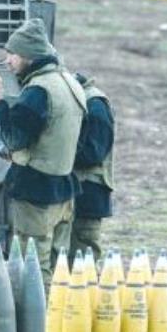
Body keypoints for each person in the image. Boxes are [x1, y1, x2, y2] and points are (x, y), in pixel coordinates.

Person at [0, 18, 87, 284]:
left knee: (33, 267)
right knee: (59, 265)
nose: (8, 62)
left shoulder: (38, 92)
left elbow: (13, 139)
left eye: (13, 55)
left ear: (29, 57)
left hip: (36, 193)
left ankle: (38, 325)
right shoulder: (70, 83)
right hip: (64, 189)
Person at [69, 73, 115, 265]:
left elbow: (92, 153)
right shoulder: (84, 101)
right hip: (76, 189)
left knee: (83, 261)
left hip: (88, 193)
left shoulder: (94, 105)